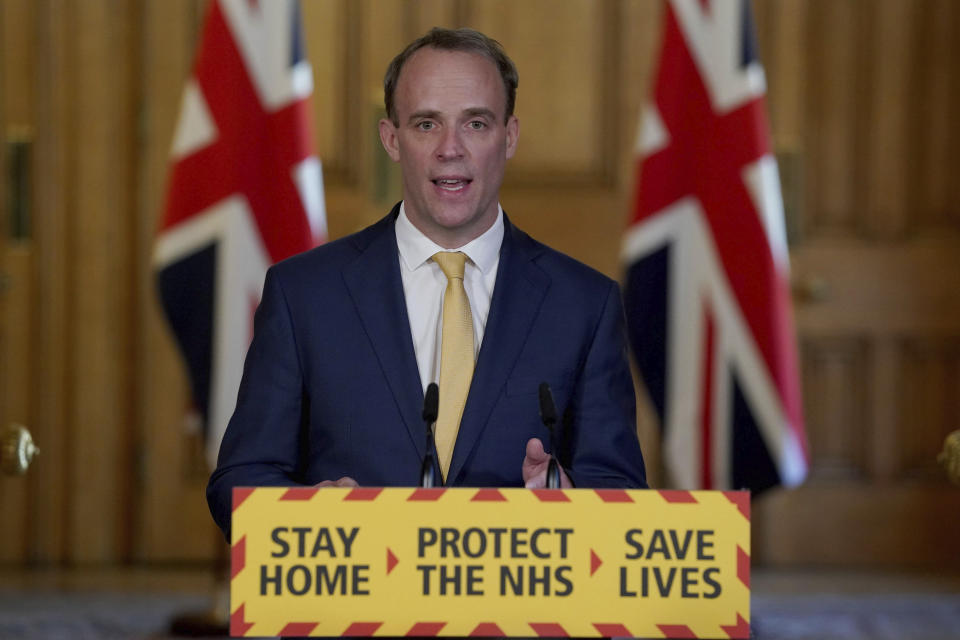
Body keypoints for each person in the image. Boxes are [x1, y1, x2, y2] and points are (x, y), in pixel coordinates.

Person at [207, 27, 646, 540]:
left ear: (509, 137)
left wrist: (571, 503)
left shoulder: (584, 304)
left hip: (518, 614)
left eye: (476, 123)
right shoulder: (304, 294)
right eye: (426, 124)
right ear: (391, 139)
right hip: (359, 611)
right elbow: (239, 479)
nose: (450, 149)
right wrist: (305, 513)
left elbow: (619, 494)